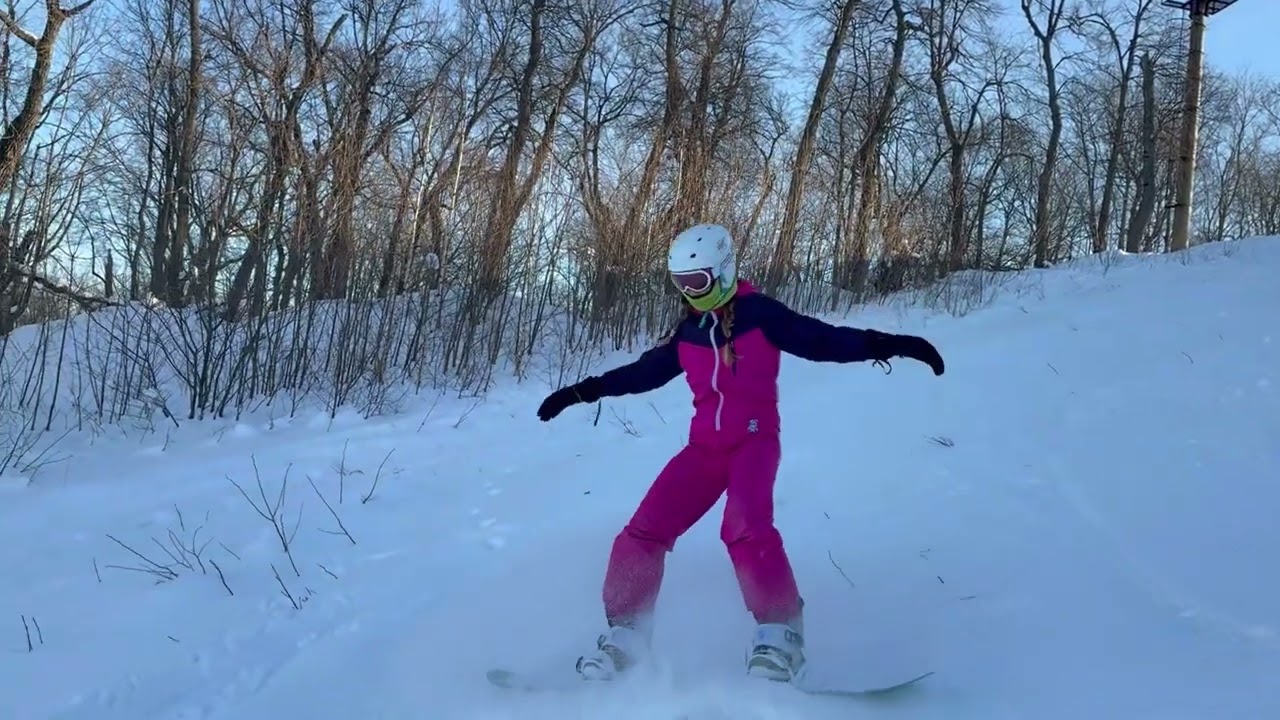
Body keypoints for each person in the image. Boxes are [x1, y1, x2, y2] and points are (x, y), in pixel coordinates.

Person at [535, 223, 945, 683]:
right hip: (704, 451)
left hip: (754, 442)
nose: (690, 294)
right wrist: (579, 392)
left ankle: (780, 637)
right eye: (682, 285)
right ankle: (627, 636)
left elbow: (822, 340)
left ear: (724, 273)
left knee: (745, 528)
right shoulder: (689, 331)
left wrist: (889, 345)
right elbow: (644, 373)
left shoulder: (759, 315)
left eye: (698, 283)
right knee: (643, 533)